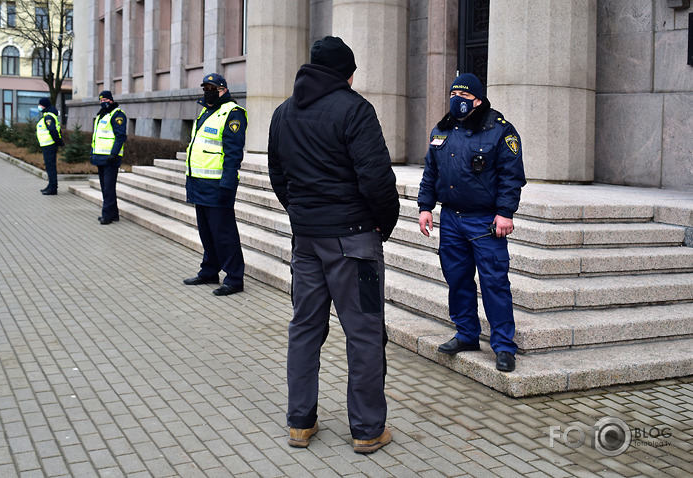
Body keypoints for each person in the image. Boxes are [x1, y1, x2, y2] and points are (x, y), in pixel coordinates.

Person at [268, 36, 400, 453]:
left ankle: (300, 424)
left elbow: (279, 177)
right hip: (354, 241)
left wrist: (304, 216)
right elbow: (376, 179)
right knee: (363, 334)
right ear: (346, 72)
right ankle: (367, 429)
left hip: (306, 240)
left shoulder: (282, 113)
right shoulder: (355, 110)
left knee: (304, 328)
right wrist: (384, 224)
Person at [417, 73, 526, 373]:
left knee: (494, 282)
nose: (457, 102)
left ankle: (503, 346)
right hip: (452, 219)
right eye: (454, 96)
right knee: (457, 279)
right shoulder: (443, 130)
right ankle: (466, 334)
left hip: (485, 221)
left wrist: (506, 213)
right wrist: (425, 207)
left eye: (464, 98)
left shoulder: (500, 131)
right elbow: (431, 172)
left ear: (478, 100)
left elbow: (511, 176)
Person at [182, 73, 248, 297]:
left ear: (223, 90)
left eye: (213, 88)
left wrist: (228, 184)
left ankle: (234, 278)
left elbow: (233, 153)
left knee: (224, 234)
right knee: (207, 232)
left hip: (218, 185)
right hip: (199, 182)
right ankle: (209, 270)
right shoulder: (205, 111)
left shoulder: (233, 113)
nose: (208, 92)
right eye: (205, 88)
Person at [91, 91, 127, 225]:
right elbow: (96, 137)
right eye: (101, 100)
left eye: (105, 99)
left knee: (108, 188)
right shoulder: (102, 115)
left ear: (111, 100)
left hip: (111, 158)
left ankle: (107, 215)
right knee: (105, 186)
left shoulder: (117, 115)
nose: (103, 102)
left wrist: (114, 153)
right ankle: (114, 214)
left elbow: (120, 136)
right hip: (100, 157)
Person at [36, 98, 63, 195]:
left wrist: (58, 141)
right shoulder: (47, 115)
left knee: (50, 167)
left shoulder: (48, 117)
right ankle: (50, 185)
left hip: (50, 145)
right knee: (49, 167)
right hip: (47, 145)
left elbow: (53, 130)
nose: (39, 107)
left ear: (45, 106)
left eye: (40, 105)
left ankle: (53, 188)